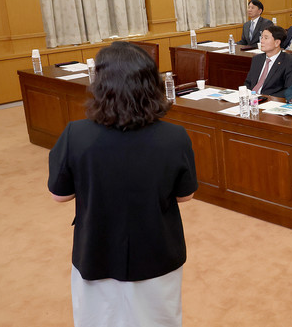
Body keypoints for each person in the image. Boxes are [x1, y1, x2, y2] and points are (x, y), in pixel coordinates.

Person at [48, 41, 198, 327]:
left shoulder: (75, 134)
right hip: (157, 249)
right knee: (158, 320)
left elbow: (60, 195)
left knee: (98, 319)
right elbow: (185, 195)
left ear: (101, 85)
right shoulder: (175, 136)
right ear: (151, 84)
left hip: (96, 248)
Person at [244, 25, 292, 96]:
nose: (261, 41)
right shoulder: (257, 59)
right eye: (261, 37)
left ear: (277, 43)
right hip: (252, 98)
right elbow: (248, 83)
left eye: (266, 38)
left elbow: (289, 89)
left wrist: (268, 98)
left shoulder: (289, 61)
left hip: (270, 99)